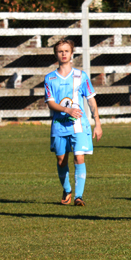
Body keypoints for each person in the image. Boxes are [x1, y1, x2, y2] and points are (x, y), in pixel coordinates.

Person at [44, 39, 103, 206]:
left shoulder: (81, 76)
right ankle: (67, 189)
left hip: (79, 125)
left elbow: (91, 100)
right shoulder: (50, 78)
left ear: (72, 53)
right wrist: (67, 110)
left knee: (79, 157)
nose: (63, 54)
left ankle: (79, 196)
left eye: (66, 51)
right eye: (60, 51)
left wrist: (97, 123)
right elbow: (50, 102)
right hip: (59, 125)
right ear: (55, 54)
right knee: (61, 160)